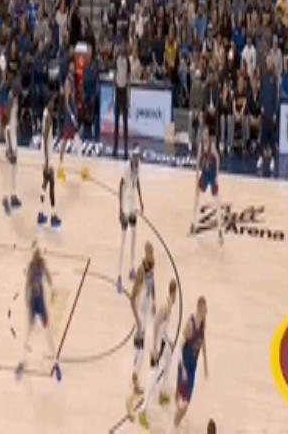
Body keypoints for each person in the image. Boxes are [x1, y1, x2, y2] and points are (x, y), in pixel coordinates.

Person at [15, 243, 62, 382]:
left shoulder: (41, 264)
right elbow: (27, 285)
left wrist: (52, 290)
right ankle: (22, 362)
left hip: (40, 303)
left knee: (47, 334)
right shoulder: (32, 266)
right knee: (28, 334)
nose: (36, 256)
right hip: (34, 303)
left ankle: (56, 363)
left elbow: (48, 277)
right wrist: (26, 301)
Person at [138, 279, 178, 429]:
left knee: (169, 358)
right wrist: (154, 348)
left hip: (161, 341)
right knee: (153, 376)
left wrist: (169, 341)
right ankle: (143, 409)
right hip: (155, 343)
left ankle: (162, 393)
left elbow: (163, 329)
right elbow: (155, 325)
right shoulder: (165, 307)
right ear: (173, 293)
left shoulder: (169, 306)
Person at [174, 296, 209, 427]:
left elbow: (202, 342)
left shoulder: (203, 323)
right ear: (199, 308)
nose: (207, 311)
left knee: (186, 402)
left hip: (193, 366)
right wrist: (182, 368)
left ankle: (176, 419)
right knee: (183, 403)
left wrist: (205, 365)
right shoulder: (190, 325)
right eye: (205, 308)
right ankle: (174, 424)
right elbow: (179, 347)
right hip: (185, 365)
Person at [128, 242, 157, 402]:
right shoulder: (141, 271)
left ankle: (135, 376)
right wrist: (137, 320)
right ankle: (135, 379)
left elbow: (153, 285)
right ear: (145, 253)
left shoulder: (153, 265)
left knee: (141, 348)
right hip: (140, 313)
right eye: (149, 252)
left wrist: (154, 301)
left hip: (146, 313)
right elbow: (132, 298)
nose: (151, 255)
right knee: (140, 349)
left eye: (152, 252)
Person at [117, 146, 144, 294]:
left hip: (133, 202)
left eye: (138, 156)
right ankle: (119, 276)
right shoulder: (126, 168)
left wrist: (141, 201)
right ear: (131, 156)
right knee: (123, 239)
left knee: (134, 235)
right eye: (135, 156)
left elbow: (137, 182)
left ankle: (131, 268)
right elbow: (120, 185)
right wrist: (120, 209)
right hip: (126, 202)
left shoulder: (138, 166)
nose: (137, 159)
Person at [190, 126, 223, 245]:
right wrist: (197, 175)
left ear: (208, 135)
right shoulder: (200, 146)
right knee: (197, 197)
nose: (204, 136)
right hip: (204, 174)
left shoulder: (212, 146)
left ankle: (220, 229)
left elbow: (218, 158)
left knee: (217, 201)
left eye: (206, 134)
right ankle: (193, 223)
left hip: (212, 175)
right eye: (203, 134)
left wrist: (217, 175)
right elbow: (198, 161)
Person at [57, 60, 88, 183]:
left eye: (74, 65)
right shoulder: (67, 81)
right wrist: (71, 116)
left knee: (76, 139)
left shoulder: (73, 79)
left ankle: (80, 167)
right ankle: (60, 166)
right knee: (66, 140)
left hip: (73, 111)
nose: (73, 67)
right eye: (71, 65)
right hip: (69, 114)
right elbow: (66, 102)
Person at [38, 94, 61, 228]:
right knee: (51, 184)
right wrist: (47, 161)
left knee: (45, 184)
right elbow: (46, 137)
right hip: (47, 155)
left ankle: (40, 213)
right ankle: (53, 215)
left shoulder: (45, 114)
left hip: (45, 153)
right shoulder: (48, 118)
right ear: (48, 102)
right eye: (52, 101)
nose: (54, 103)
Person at [2, 85, 22, 215]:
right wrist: (9, 149)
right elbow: (7, 123)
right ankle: (6, 200)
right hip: (10, 135)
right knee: (10, 170)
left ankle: (13, 196)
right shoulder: (10, 100)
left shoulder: (14, 100)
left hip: (13, 136)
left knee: (14, 170)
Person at [113, 42, 131, 160]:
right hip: (118, 91)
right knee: (116, 121)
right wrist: (114, 94)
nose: (122, 49)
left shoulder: (127, 61)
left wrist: (129, 97)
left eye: (124, 48)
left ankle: (125, 149)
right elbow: (115, 75)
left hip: (124, 91)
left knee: (125, 122)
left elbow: (128, 80)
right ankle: (115, 148)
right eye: (121, 48)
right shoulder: (116, 59)